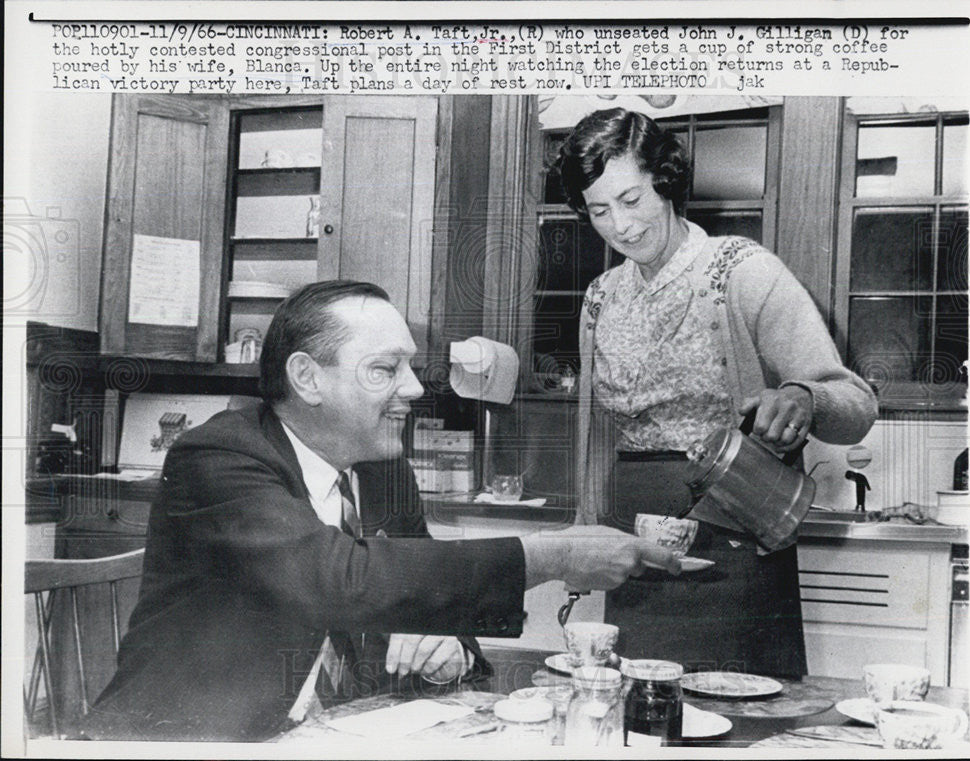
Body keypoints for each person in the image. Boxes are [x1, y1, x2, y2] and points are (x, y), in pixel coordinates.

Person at [80, 280, 680, 741]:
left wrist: (447, 649)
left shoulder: (382, 466)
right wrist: (554, 554)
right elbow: (339, 579)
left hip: (332, 734)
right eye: (385, 369)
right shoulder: (217, 455)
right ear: (307, 378)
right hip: (196, 736)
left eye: (410, 366)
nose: (416, 388)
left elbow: (427, 599)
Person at [560, 109, 878, 678]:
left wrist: (805, 398)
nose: (620, 226)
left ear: (665, 181)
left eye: (631, 200)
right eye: (599, 210)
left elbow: (853, 405)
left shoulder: (742, 271)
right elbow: (593, 436)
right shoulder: (600, 297)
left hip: (736, 535)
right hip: (633, 549)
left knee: (740, 713)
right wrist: (586, 539)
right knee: (634, 713)